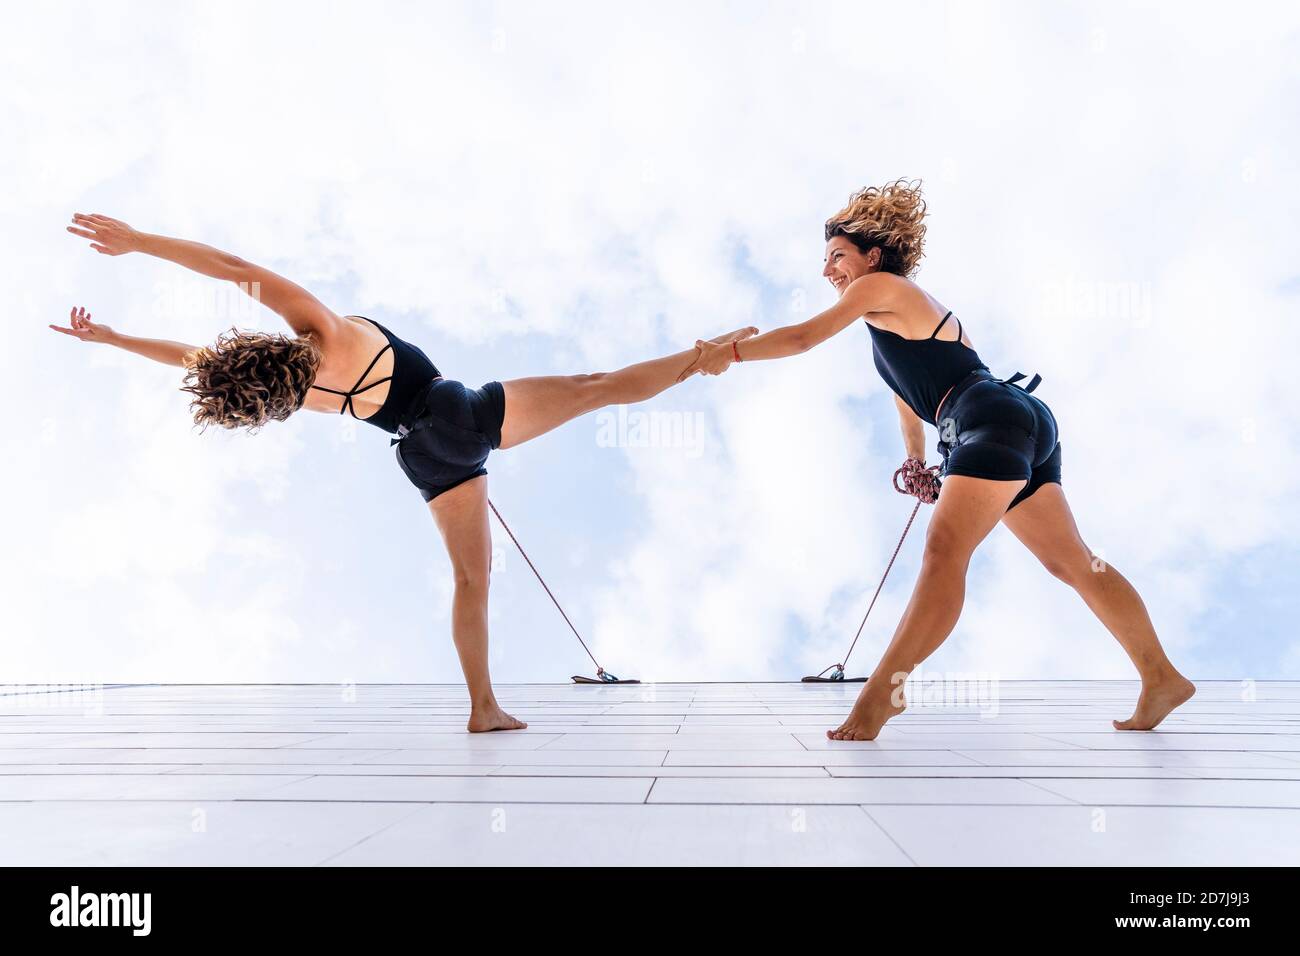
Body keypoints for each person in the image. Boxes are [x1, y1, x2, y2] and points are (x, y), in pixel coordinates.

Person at [57, 213, 756, 732]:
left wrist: (116, 341)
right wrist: (140, 243)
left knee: (471, 579)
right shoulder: (321, 332)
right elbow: (228, 263)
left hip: (422, 457)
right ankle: (707, 356)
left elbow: (192, 362)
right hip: (456, 413)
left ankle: (483, 706)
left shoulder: (294, 394)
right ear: (261, 344)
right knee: (598, 385)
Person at [684, 180, 1195, 740]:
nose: (828, 271)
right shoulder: (887, 324)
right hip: (1009, 422)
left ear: (872, 255)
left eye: (836, 256)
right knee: (1072, 561)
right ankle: (1161, 676)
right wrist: (917, 461)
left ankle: (883, 693)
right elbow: (910, 404)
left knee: (944, 551)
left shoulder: (881, 287)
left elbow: (804, 338)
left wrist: (728, 353)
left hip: (986, 417)